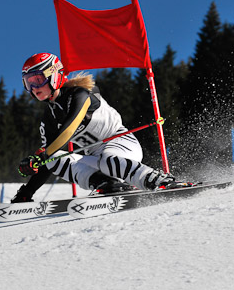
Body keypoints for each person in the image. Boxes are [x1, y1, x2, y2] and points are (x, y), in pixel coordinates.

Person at [12, 52, 176, 203]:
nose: (34, 89)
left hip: (122, 144)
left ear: (53, 75)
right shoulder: (49, 117)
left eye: (38, 80)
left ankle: (155, 179)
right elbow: (48, 158)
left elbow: (70, 128)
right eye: (28, 83)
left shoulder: (80, 94)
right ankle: (105, 184)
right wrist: (26, 192)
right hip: (96, 157)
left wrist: (44, 154)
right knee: (54, 160)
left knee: (106, 160)